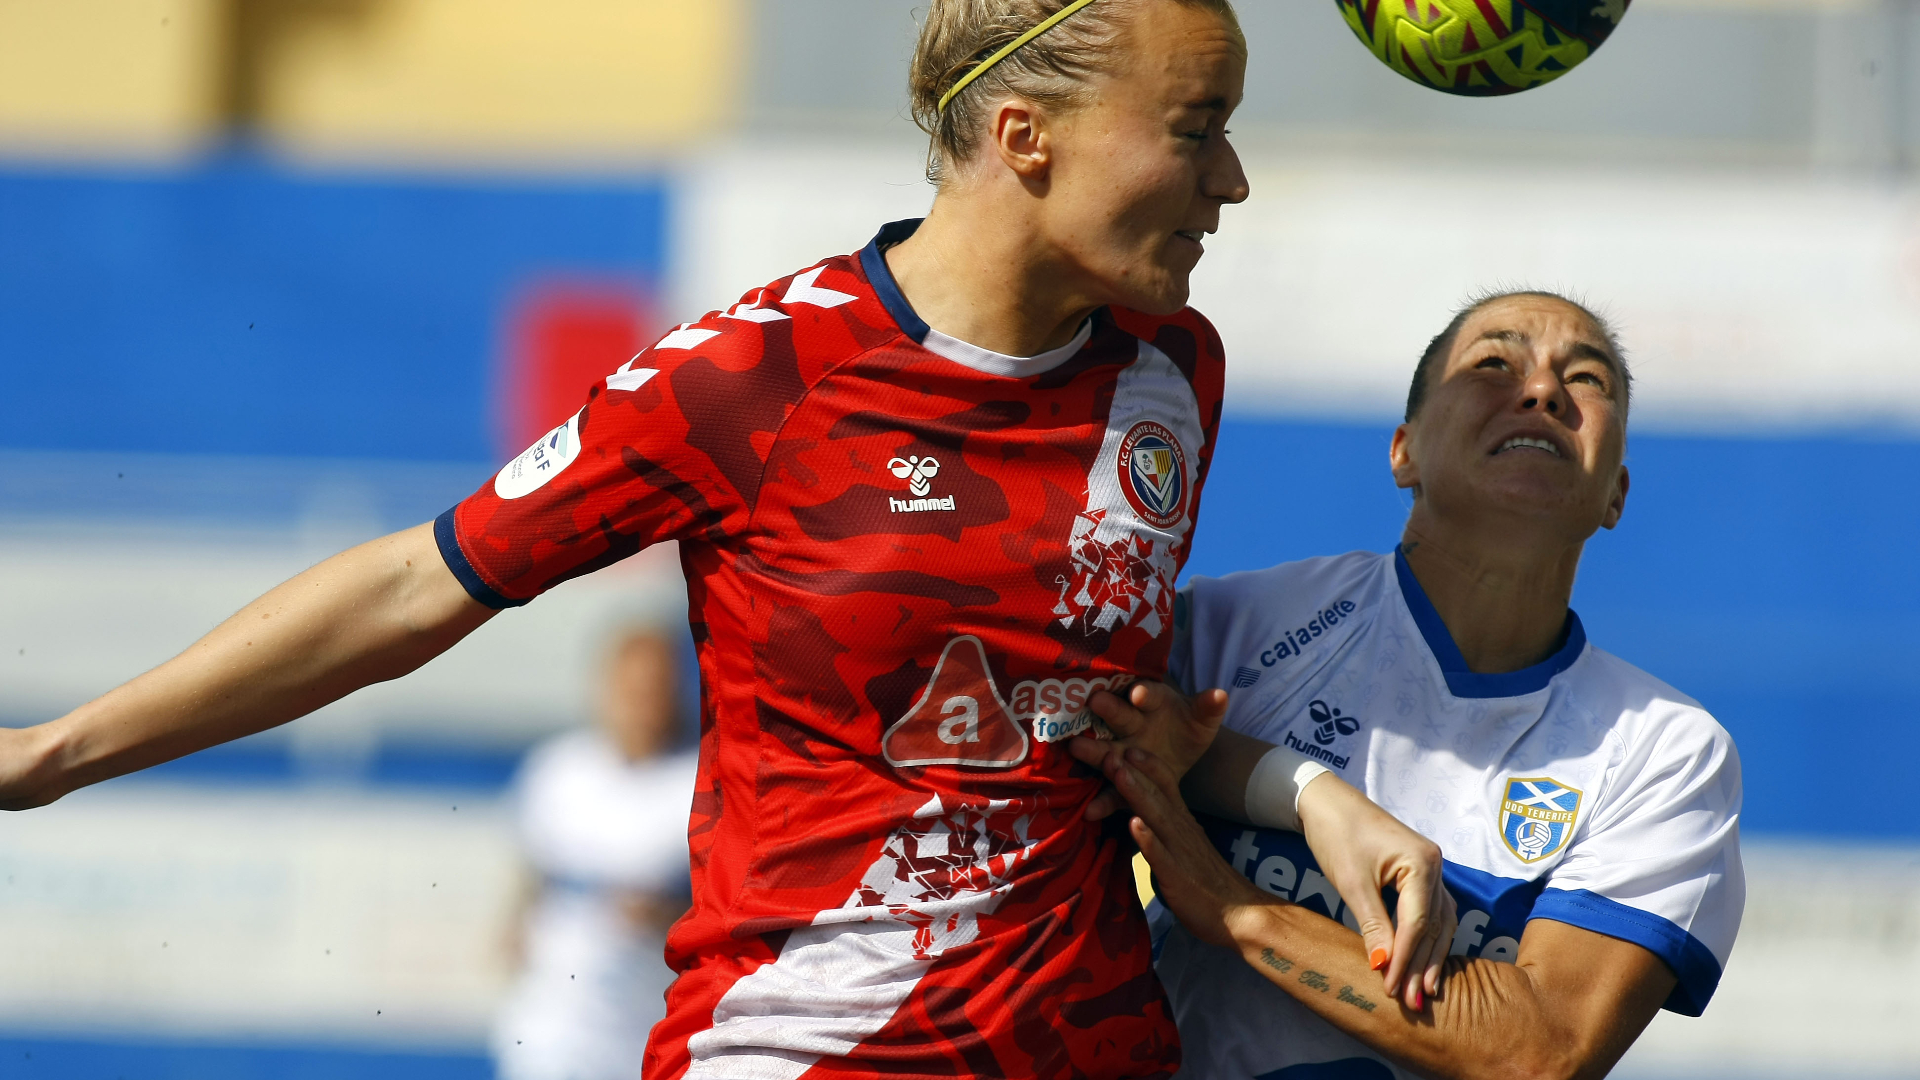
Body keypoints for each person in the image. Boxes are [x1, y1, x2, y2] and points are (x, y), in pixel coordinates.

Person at [0, 2, 1454, 1076]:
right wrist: (52, 754)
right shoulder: (754, 377)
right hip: (806, 1048)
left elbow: (1092, 711)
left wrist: (1312, 792)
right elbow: (412, 585)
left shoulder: (1170, 370)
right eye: (1199, 130)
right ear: (1026, 138)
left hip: (1095, 1049)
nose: (1233, 183)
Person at [1078, 291, 1746, 1080]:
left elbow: (1544, 1050)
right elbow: (1056, 732)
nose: (1542, 392)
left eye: (1588, 379)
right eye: (1494, 363)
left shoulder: (1665, 748)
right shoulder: (1231, 628)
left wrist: (1243, 912)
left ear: (1616, 497)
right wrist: (1298, 790)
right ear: (1405, 451)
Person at [494, 625, 699, 1080]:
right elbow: (531, 872)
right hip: (554, 1018)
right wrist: (512, 929)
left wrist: (666, 916)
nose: (640, 703)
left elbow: (722, 906)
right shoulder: (557, 769)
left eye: (654, 689)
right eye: (630, 689)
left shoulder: (697, 782)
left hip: (648, 1017)